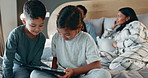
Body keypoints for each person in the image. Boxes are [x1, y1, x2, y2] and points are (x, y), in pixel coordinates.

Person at [30, 5, 111, 78]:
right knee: (35, 74)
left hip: (80, 74)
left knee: (104, 74)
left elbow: (96, 64)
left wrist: (74, 72)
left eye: (67, 34)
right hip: (62, 73)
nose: (62, 36)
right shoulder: (56, 37)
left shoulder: (86, 38)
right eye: (59, 32)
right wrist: (54, 72)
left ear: (79, 28)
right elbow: (55, 58)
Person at [2, 0, 47, 78]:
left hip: (33, 65)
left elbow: (36, 62)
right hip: (18, 64)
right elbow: (8, 60)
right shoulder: (15, 34)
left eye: (41, 25)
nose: (37, 29)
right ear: (24, 21)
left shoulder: (42, 38)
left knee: (49, 73)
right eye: (33, 25)